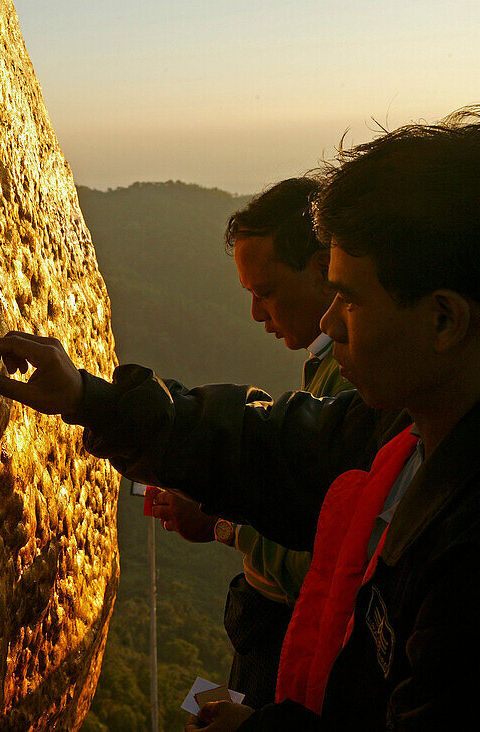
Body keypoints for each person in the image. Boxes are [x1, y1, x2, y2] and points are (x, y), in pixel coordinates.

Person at [0, 107, 480, 729]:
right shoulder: (421, 429)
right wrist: (88, 398)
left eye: (352, 299)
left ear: (444, 320)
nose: (331, 322)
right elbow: (271, 445)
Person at [147, 176, 353, 709]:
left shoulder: (354, 383)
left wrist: (221, 525)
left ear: (322, 265)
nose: (257, 314)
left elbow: (330, 560)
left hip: (284, 631)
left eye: (268, 292)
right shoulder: (330, 365)